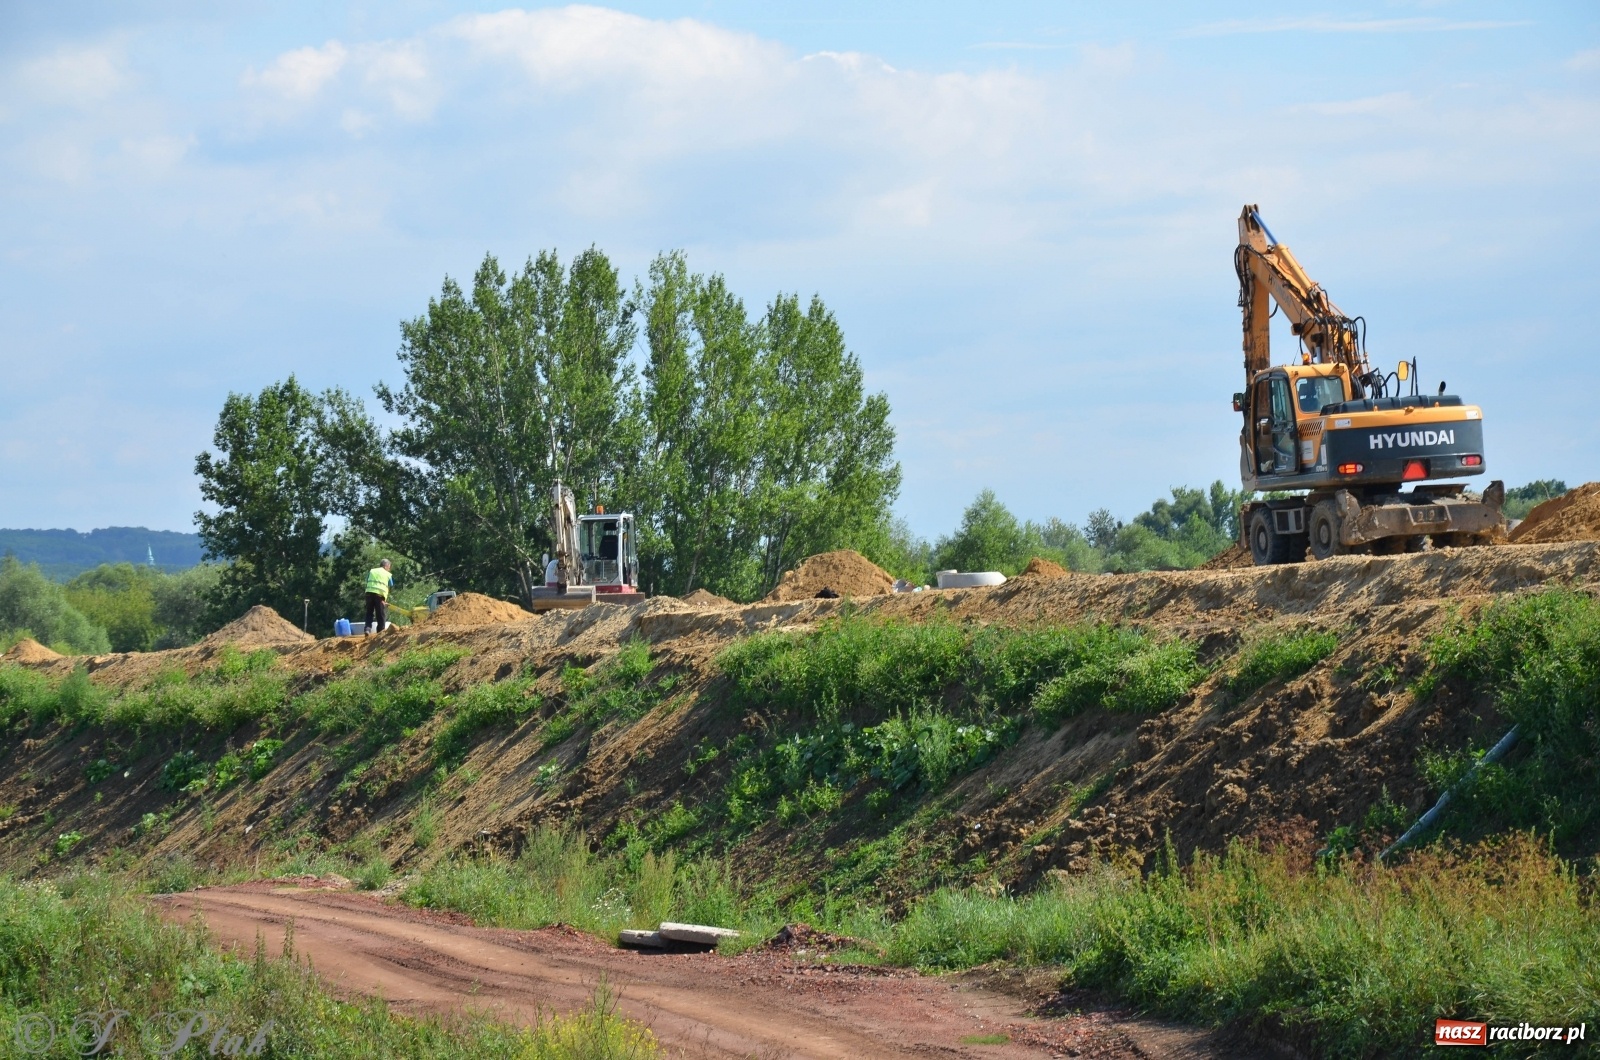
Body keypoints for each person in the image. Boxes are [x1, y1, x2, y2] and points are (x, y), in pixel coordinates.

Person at [364, 559, 393, 635]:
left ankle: (367, 629)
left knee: (369, 612)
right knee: (380, 614)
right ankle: (380, 632)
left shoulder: (372, 571)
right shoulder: (387, 574)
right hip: (379, 595)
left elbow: (367, 580)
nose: (389, 569)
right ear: (386, 566)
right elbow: (390, 585)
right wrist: (385, 600)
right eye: (389, 567)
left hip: (369, 594)